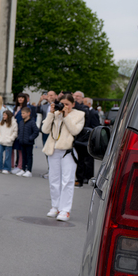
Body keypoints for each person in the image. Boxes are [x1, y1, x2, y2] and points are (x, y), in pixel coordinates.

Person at [41, 93, 84, 222]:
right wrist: (51, 113)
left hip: (68, 151)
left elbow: (75, 131)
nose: (65, 106)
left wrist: (66, 116)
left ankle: (65, 209)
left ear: (73, 104)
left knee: (67, 181)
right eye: (62, 104)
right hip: (53, 149)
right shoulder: (55, 113)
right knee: (53, 180)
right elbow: (45, 130)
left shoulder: (79, 115)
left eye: (67, 104)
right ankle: (55, 206)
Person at [73, 90, 99, 186]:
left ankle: (88, 177)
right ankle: (81, 177)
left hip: (87, 139)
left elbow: (95, 126)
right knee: (80, 159)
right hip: (80, 139)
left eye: (78, 96)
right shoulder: (78, 110)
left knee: (88, 160)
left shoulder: (93, 113)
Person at [13, 106, 40, 177]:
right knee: (23, 156)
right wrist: (19, 138)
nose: (22, 115)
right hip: (22, 142)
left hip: (29, 143)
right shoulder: (21, 122)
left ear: (28, 113)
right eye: (22, 113)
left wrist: (30, 138)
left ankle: (29, 170)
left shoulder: (32, 122)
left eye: (24, 113)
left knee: (29, 156)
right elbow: (19, 131)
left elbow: (36, 131)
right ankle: (23, 169)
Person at [0, 110, 18, 174]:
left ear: (8, 116)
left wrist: (10, 139)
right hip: (1, 141)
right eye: (3, 115)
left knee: (7, 156)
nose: (3, 116)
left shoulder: (13, 123)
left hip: (8, 142)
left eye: (5, 115)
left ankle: (7, 168)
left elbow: (15, 132)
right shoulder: (1, 122)